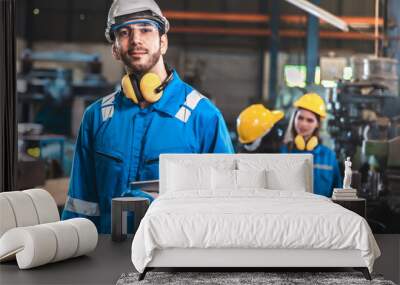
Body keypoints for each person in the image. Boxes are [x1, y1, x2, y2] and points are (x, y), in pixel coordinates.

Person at [61, 0, 234, 233]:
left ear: (163, 42)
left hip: (174, 261)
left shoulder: (203, 117)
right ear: (114, 49)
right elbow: (81, 208)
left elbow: (224, 210)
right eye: (124, 32)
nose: (135, 40)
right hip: (107, 259)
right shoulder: (97, 118)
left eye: (145, 29)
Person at [281, 93, 342, 197]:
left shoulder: (328, 156)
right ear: (294, 118)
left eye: (310, 120)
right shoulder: (284, 151)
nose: (303, 124)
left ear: (318, 124)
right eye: (300, 118)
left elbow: (338, 193)